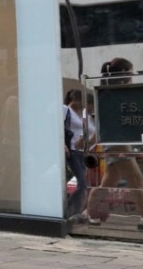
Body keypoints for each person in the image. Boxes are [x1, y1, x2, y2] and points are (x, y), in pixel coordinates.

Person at [82, 58, 143, 230]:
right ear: (124, 74)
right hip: (118, 145)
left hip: (116, 143)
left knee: (106, 184)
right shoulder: (113, 95)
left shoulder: (109, 94)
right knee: (137, 181)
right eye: (131, 73)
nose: (133, 76)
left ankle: (86, 214)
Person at [63, 88, 93, 221]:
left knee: (82, 182)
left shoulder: (79, 114)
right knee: (82, 182)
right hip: (72, 151)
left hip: (80, 152)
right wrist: (62, 144)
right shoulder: (65, 109)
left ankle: (72, 210)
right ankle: (70, 210)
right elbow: (58, 126)